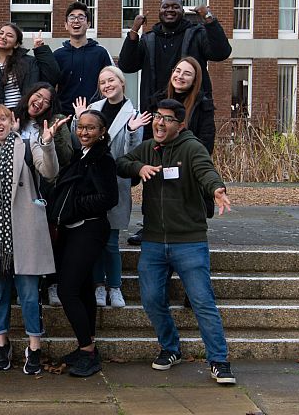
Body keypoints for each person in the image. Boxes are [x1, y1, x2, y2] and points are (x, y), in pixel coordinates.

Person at [116, 98, 236, 385]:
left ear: (180, 124)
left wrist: (217, 189)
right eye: (157, 116)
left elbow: (206, 171)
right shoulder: (148, 148)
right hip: (154, 242)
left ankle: (219, 360)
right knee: (152, 299)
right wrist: (139, 169)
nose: (159, 122)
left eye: (167, 119)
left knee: (202, 301)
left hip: (189, 241)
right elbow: (122, 162)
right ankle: (171, 348)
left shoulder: (191, 148)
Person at [119, 0, 231, 246]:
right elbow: (127, 63)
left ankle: (189, 222)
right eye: (165, 7)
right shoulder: (148, 39)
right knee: (155, 171)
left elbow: (222, 52)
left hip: (193, 110)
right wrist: (134, 31)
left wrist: (209, 18)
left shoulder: (196, 34)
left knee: (189, 167)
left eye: (175, 7)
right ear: (158, 11)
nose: (170, 10)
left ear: (183, 11)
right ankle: (151, 224)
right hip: (156, 113)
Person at [0, 104, 59, 376]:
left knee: (29, 295)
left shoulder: (28, 146)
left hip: (25, 232)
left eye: (3, 118)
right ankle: (1, 344)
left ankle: (34, 346)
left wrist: (48, 144)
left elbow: (50, 172)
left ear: (12, 122)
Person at [47, 110, 119, 377]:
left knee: (67, 291)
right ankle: (87, 345)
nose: (84, 132)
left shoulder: (102, 159)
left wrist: (76, 207)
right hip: (73, 230)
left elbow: (109, 198)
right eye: (81, 127)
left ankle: (87, 350)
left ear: (102, 131)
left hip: (89, 229)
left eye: (91, 128)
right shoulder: (82, 155)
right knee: (85, 288)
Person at [71, 67, 151, 308]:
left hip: (115, 183)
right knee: (94, 239)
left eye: (111, 80)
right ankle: (98, 286)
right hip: (90, 184)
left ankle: (115, 287)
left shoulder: (133, 113)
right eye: (102, 81)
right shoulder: (93, 108)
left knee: (111, 241)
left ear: (121, 82)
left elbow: (130, 155)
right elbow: (78, 143)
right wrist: (78, 118)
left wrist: (132, 130)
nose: (107, 85)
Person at [12, 83, 73, 307]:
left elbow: (66, 155)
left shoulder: (53, 122)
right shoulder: (12, 117)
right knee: (23, 240)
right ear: (29, 95)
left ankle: (52, 284)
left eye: (46, 101)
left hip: (45, 190)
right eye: (37, 96)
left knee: (48, 238)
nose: (40, 102)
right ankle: (26, 287)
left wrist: (53, 136)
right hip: (17, 191)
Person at [36, 1, 113, 117]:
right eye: (72, 18)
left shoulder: (101, 52)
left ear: (88, 24)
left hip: (95, 113)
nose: (76, 21)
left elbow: (113, 81)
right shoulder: (57, 54)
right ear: (66, 25)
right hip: (64, 114)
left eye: (81, 18)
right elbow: (48, 84)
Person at [0, 24, 60, 109]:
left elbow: (52, 76)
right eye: (1, 33)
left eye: (9, 35)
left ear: (16, 44)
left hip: (23, 113)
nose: (3, 37)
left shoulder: (29, 62)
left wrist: (40, 49)